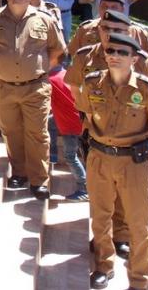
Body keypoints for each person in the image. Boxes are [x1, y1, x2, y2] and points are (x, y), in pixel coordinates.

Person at [78, 33, 148, 290]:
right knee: (100, 217)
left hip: (133, 163)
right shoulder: (92, 82)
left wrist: (144, 140)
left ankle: (139, 280)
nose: (114, 56)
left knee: (138, 224)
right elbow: (85, 111)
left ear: (134, 58)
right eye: (111, 51)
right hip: (99, 159)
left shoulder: (147, 88)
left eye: (122, 53)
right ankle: (103, 267)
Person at [0, 0, 65, 200]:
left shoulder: (45, 20)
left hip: (35, 88)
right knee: (11, 132)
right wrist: (0, 61)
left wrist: (39, 69)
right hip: (4, 88)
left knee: (37, 134)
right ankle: (19, 172)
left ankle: (39, 180)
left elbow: (56, 50)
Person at [69, 0, 148, 60]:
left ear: (122, 9)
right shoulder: (85, 29)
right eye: (104, 6)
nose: (108, 10)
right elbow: (72, 53)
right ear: (99, 7)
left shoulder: (137, 33)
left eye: (114, 7)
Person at [48, 66, 88, 201]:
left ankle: (83, 188)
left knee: (70, 156)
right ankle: (52, 153)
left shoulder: (50, 81)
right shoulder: (66, 74)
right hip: (80, 121)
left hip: (70, 126)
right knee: (50, 123)